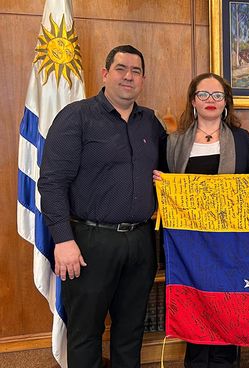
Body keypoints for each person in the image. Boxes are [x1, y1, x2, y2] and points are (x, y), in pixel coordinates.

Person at [38, 45, 166, 368]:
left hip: (140, 242)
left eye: (136, 71)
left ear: (143, 80)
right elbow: (52, 183)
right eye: (121, 68)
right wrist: (63, 240)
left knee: (131, 332)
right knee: (85, 334)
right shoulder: (76, 117)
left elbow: (168, 170)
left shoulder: (150, 123)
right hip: (88, 243)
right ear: (105, 74)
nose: (129, 76)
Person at [155, 72, 249, 367]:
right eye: (203, 95)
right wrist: (162, 182)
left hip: (230, 242)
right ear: (193, 101)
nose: (210, 101)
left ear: (226, 102)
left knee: (228, 310)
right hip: (191, 244)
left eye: (217, 95)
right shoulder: (174, 142)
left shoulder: (241, 139)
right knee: (196, 308)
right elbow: (166, 186)